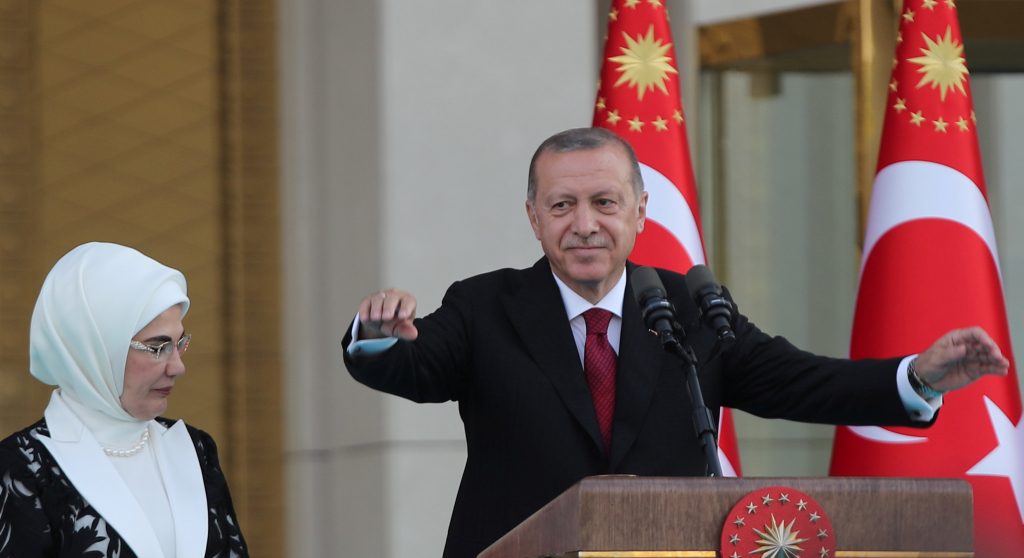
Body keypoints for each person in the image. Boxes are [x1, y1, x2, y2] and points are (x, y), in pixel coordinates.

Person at [342, 127, 1008, 557]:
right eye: (562, 205)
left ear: (640, 213)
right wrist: (375, 336)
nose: (584, 224)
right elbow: (415, 366)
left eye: (605, 203)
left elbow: (799, 381)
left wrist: (917, 376)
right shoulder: (486, 306)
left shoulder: (688, 307)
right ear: (534, 218)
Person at [0, 242, 249, 558]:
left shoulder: (196, 449)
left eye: (179, 343)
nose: (177, 367)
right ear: (95, 348)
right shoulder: (20, 470)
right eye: (158, 347)